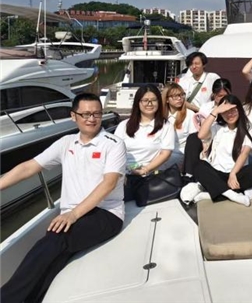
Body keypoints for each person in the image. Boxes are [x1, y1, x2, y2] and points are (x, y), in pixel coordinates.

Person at [0, 93, 126, 302]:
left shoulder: (113, 143)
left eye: (97, 113)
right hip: (74, 214)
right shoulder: (66, 143)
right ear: (73, 116)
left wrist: (73, 215)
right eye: (85, 114)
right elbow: (29, 167)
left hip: (107, 214)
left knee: (56, 238)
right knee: (55, 255)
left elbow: (109, 183)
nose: (92, 119)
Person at [180, 95, 252, 206]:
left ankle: (212, 192)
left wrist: (233, 174)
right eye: (225, 112)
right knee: (199, 166)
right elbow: (201, 135)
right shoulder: (217, 127)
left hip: (236, 174)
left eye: (233, 110)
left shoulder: (248, 128)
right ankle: (232, 195)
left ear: (239, 110)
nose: (230, 114)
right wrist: (215, 111)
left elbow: (244, 153)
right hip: (216, 173)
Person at [115, 85, 180, 193]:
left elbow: (165, 153)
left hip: (149, 176)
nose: (149, 104)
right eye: (145, 100)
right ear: (138, 102)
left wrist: (146, 169)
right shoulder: (123, 125)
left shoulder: (165, 126)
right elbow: (114, 151)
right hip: (123, 175)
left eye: (153, 100)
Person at [162, 82, 197, 153]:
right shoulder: (160, 115)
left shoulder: (190, 114)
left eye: (181, 95)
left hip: (182, 153)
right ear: (167, 99)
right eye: (175, 96)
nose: (179, 98)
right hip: (162, 152)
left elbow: (194, 140)